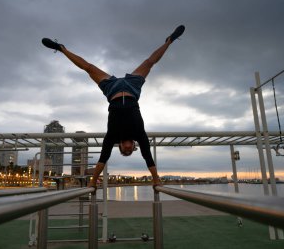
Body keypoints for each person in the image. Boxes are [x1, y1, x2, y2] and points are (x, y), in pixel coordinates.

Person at [42, 25, 185, 190]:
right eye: (130, 150)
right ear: (133, 145)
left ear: (121, 147)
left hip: (112, 89)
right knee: (149, 62)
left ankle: (61, 48)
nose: (128, 148)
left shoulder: (112, 136)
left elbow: (103, 158)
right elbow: (148, 156)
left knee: (88, 68)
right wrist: (156, 179)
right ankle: (170, 41)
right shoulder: (139, 135)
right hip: (132, 87)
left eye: (125, 150)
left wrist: (92, 182)